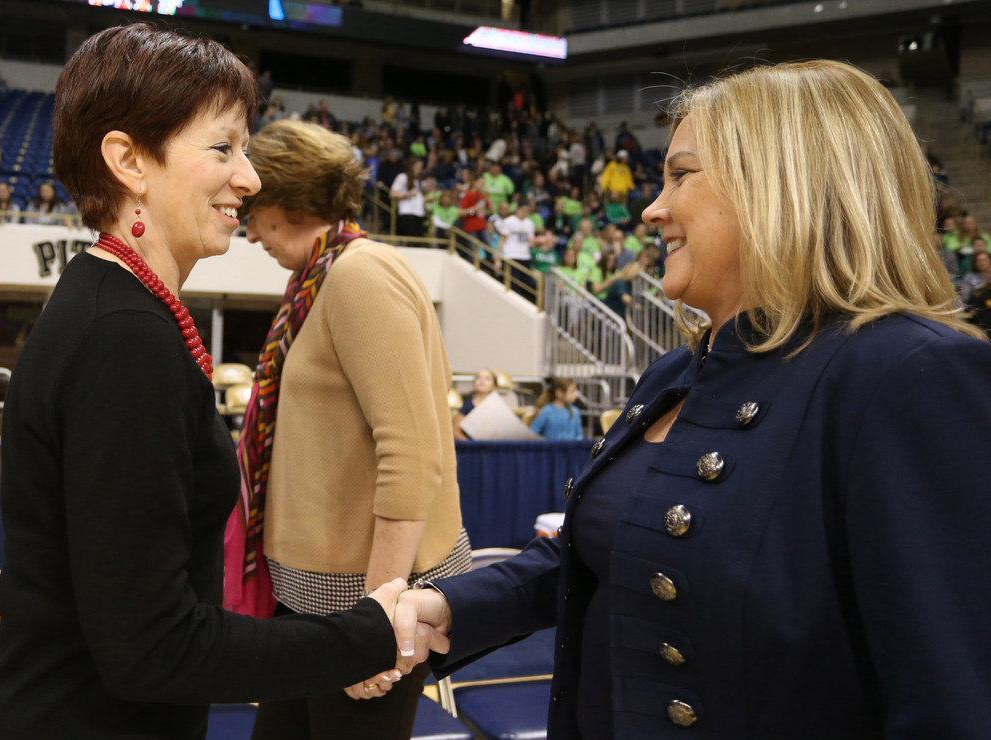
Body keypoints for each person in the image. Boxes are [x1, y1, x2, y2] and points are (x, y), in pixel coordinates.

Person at [393, 60, 991, 739]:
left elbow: (952, 696)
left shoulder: (908, 373)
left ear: (782, 184)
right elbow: (609, 549)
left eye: (681, 175)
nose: (653, 207)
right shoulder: (674, 374)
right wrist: (449, 604)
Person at [0, 25, 424, 740]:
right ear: (127, 160)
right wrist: (364, 635)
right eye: (224, 148)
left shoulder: (111, 305)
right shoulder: (123, 337)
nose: (250, 177)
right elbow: (154, 647)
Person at [235, 119, 471, 740]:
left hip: (360, 605)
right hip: (317, 606)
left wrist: (377, 619)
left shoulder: (359, 274)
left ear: (287, 202)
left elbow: (411, 455)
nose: (247, 227)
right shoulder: (319, 278)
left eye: (252, 209)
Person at [452, 368, 497, 440]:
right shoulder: (467, 405)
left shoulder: (498, 407)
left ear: (494, 386)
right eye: (478, 378)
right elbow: (455, 431)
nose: (482, 381)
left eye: (487, 379)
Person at [390, 155, 426, 237]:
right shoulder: (403, 177)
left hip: (419, 212)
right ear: (412, 166)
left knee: (419, 241)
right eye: (418, 166)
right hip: (407, 212)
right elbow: (392, 193)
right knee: (411, 239)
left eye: (421, 167)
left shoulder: (418, 180)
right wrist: (407, 195)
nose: (420, 169)